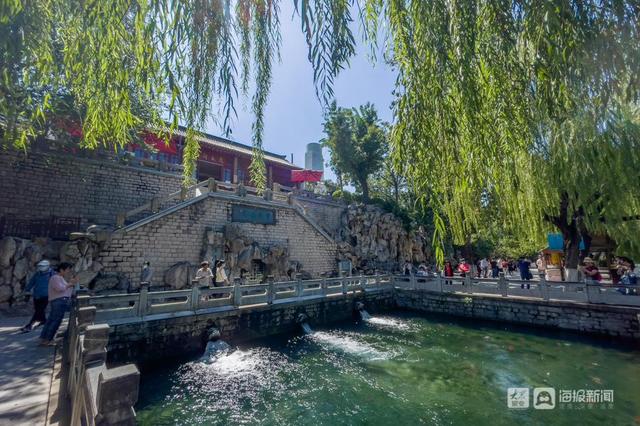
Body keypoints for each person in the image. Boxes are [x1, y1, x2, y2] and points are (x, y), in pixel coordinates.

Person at [39, 262, 77, 346]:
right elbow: (60, 289)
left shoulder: (60, 278)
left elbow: (66, 291)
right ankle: (48, 339)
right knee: (55, 321)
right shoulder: (55, 277)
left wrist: (71, 284)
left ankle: (44, 339)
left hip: (60, 301)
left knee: (51, 320)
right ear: (61, 270)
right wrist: (70, 284)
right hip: (59, 302)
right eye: (67, 270)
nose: (68, 271)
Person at [21, 260, 55, 333]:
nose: (40, 267)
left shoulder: (52, 274)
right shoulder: (37, 274)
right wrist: (27, 290)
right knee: (39, 310)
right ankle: (44, 321)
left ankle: (29, 325)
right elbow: (31, 282)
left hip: (46, 296)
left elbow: (55, 284)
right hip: (36, 295)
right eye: (39, 266)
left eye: (42, 266)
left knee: (39, 310)